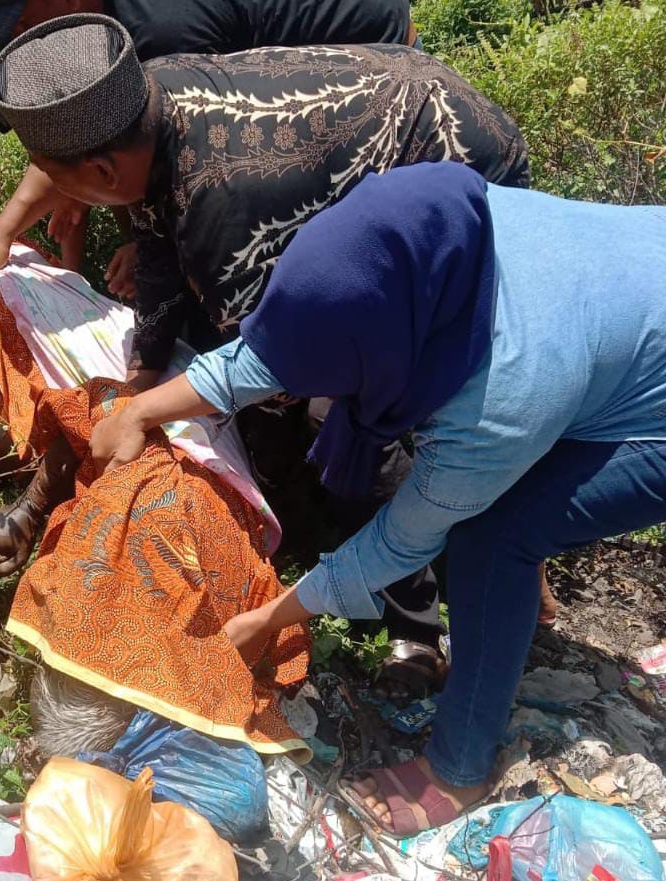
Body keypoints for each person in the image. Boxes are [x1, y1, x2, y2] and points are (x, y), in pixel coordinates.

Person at [87, 161, 666, 836]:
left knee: (496, 534)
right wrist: (139, 411)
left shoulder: (497, 399)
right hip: (619, 309)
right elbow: (265, 355)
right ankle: (511, 617)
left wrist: (266, 619)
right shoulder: (437, 225)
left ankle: (460, 766)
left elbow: (402, 540)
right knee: (497, 503)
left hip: (629, 392)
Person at [0, 13, 531, 686]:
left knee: (360, 408)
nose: (54, 196)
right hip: (398, 114)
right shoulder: (149, 103)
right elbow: (156, 239)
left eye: (55, 179)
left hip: (457, 168)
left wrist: (239, 467)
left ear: (100, 167)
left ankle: (422, 617)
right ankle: (361, 543)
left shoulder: (221, 200)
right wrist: (141, 370)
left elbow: (269, 368)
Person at [0, 0, 419, 290]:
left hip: (369, 58)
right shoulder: (122, 29)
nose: (18, 40)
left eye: (21, 20)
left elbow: (173, 144)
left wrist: (155, 238)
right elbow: (88, 146)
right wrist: (10, 225)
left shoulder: (159, 32)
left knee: (234, 243)